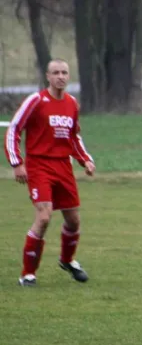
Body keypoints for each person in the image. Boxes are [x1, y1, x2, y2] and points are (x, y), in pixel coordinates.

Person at [4, 58, 95, 286]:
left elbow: (73, 137)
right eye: (56, 72)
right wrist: (17, 162)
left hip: (63, 166)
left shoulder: (72, 103)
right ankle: (28, 274)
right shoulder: (36, 100)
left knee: (73, 221)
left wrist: (85, 160)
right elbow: (14, 128)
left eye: (64, 72)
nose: (60, 76)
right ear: (48, 76)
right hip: (39, 165)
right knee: (44, 217)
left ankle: (67, 260)